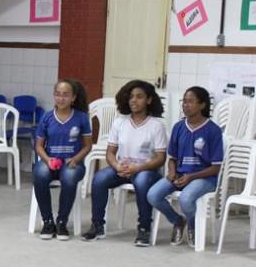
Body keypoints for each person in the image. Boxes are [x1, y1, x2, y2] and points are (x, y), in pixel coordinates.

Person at [82, 80, 167, 246]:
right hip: (122, 169)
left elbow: (160, 158)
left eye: (139, 97)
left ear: (149, 100)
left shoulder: (156, 125)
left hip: (146, 171)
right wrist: (116, 166)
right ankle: (97, 225)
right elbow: (110, 153)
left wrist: (138, 168)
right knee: (99, 179)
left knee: (142, 182)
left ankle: (144, 229)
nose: (134, 100)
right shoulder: (119, 122)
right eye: (131, 97)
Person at [147, 86, 223, 247]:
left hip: (204, 177)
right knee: (153, 195)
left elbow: (216, 167)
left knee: (186, 199)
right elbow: (172, 158)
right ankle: (178, 220)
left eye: (190, 101)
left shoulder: (213, 130)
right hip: (180, 175)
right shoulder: (179, 127)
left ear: (202, 105)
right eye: (184, 101)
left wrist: (191, 177)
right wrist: (172, 171)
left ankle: (193, 225)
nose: (185, 105)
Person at [33, 79, 92, 240]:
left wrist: (76, 158)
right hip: (49, 160)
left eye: (65, 95)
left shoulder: (81, 118)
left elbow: (88, 146)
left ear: (73, 98)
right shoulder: (47, 117)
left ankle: (62, 222)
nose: (61, 98)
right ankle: (47, 222)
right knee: (39, 175)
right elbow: (38, 146)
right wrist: (47, 159)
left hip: (73, 162)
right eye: (58, 94)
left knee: (69, 176)